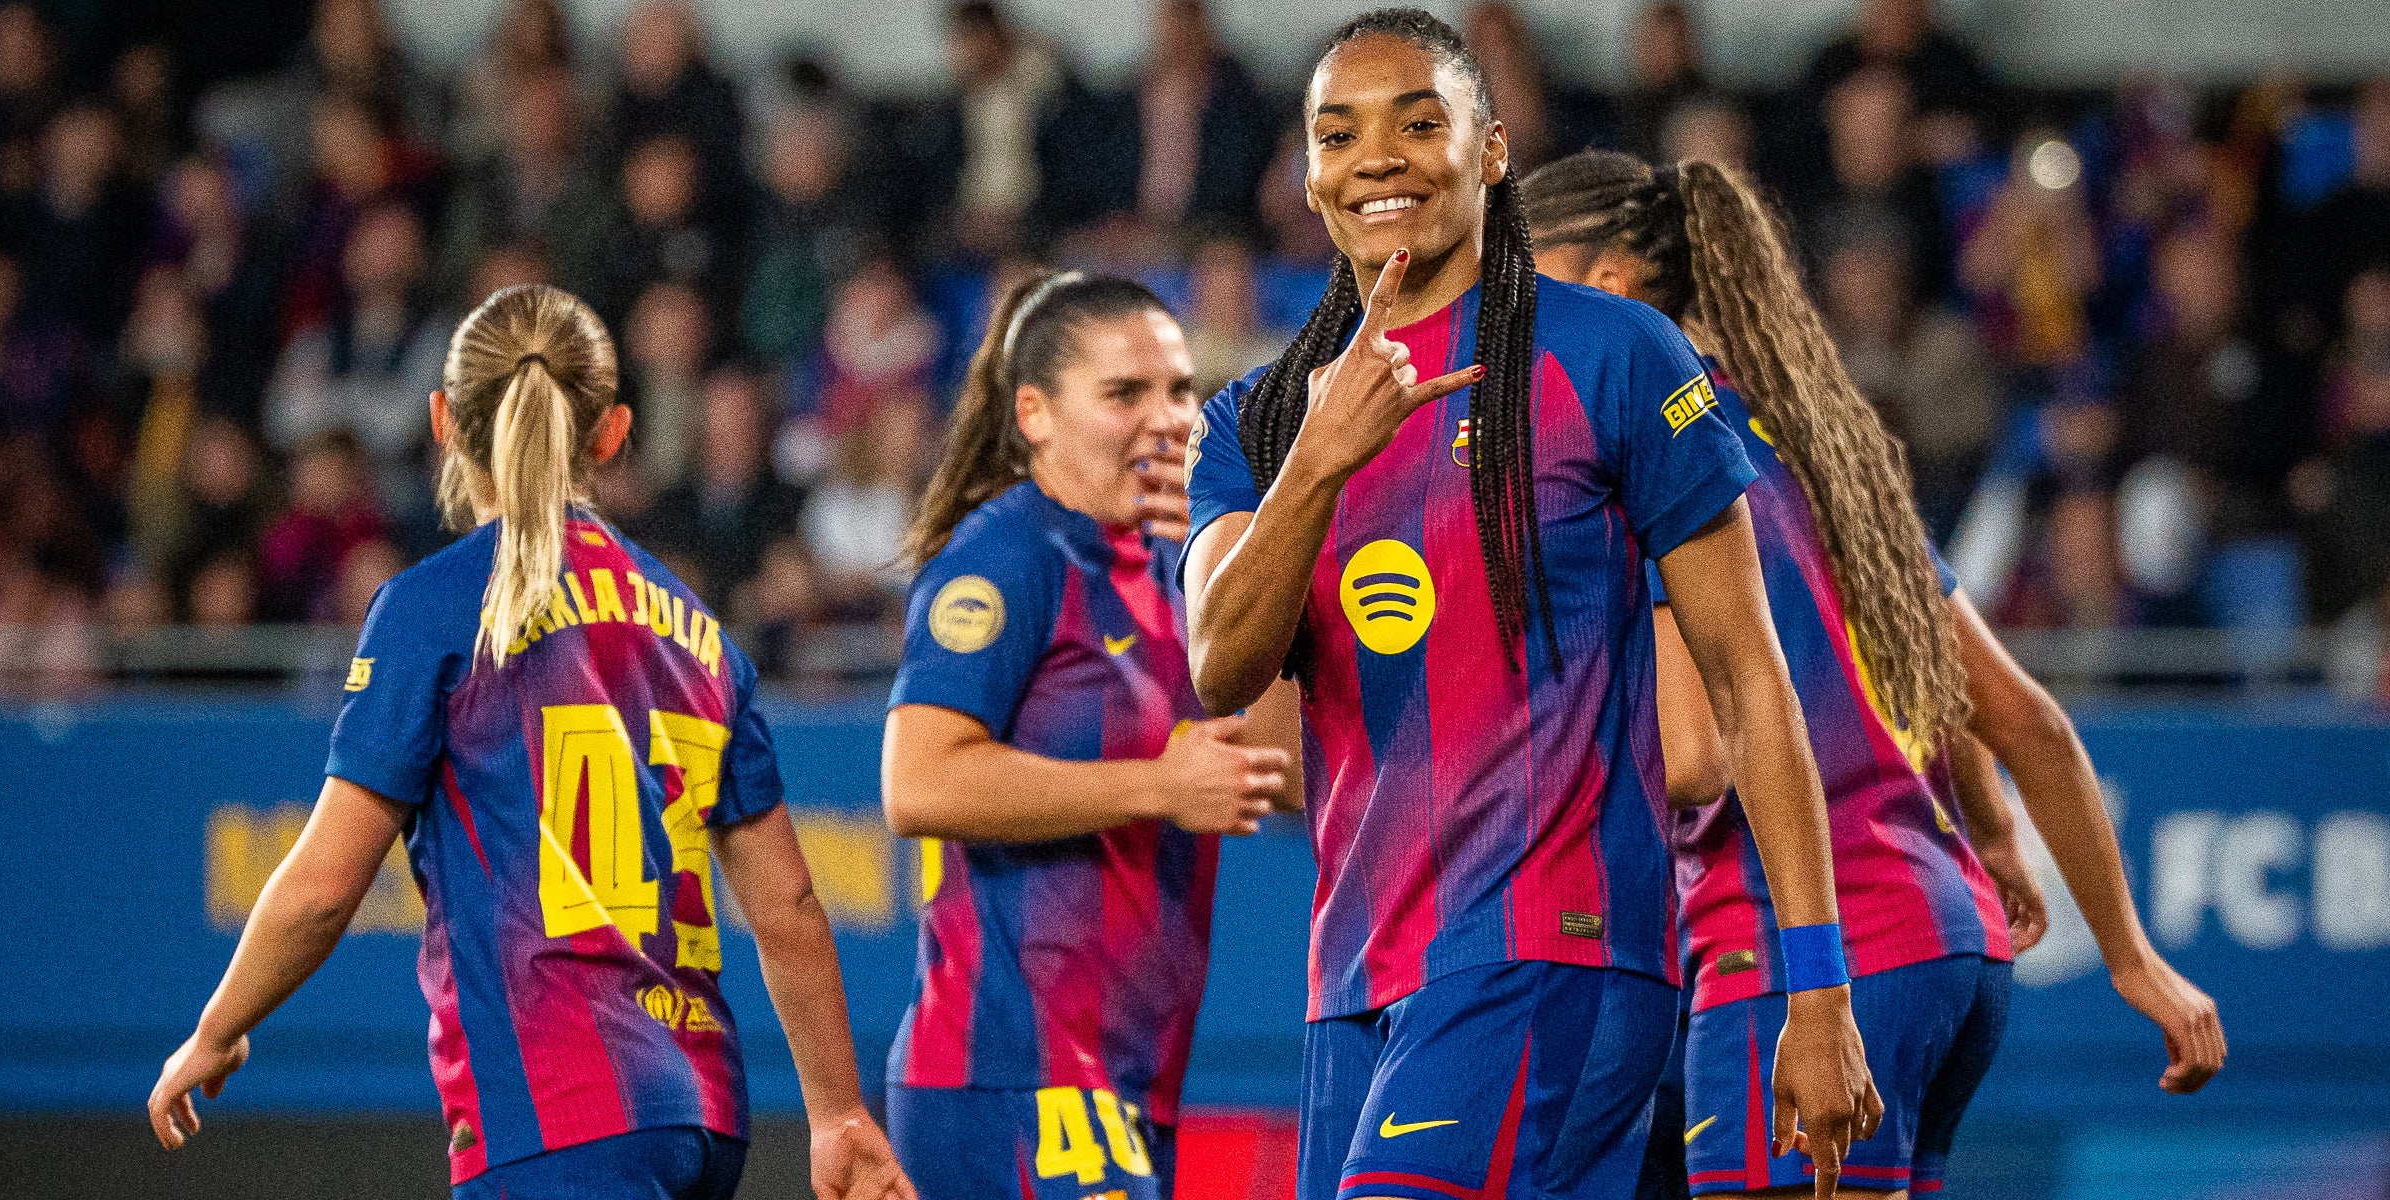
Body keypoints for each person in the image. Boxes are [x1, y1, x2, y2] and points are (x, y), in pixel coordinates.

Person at [1179, 12, 1877, 1200]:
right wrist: (1318, 462)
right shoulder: (1255, 418)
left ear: (1492, 150)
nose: (1379, 157)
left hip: (1557, 950)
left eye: (1419, 122)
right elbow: (1222, 668)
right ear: (1308, 173)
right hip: (1356, 980)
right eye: (1340, 134)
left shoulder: (1615, 358)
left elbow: (1750, 680)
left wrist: (1820, 991)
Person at [1520, 147, 2224, 1198]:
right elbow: (2019, 717)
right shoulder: (1810, 449)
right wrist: (2126, 952)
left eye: (1524, 281)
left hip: (1804, 960)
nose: (1508, 319)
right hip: (1951, 950)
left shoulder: (1636, 453)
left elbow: (1696, 760)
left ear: (1610, 283)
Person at [146, 284, 913, 1200]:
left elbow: (322, 887)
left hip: (555, 1113)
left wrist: (219, 1026)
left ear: (442, 421)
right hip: (702, 1113)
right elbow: (785, 903)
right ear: (614, 432)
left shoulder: (433, 608)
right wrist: (836, 1113)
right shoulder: (700, 630)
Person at [879, 270, 1298, 1199]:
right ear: (1035, 414)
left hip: (1133, 1078)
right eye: (1125, 393)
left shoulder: (1172, 564)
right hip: (1012, 1075)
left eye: (1180, 389)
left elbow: (1285, 773)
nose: (1168, 417)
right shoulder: (1008, 556)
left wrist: (1238, 562)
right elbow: (920, 783)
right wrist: (1156, 787)